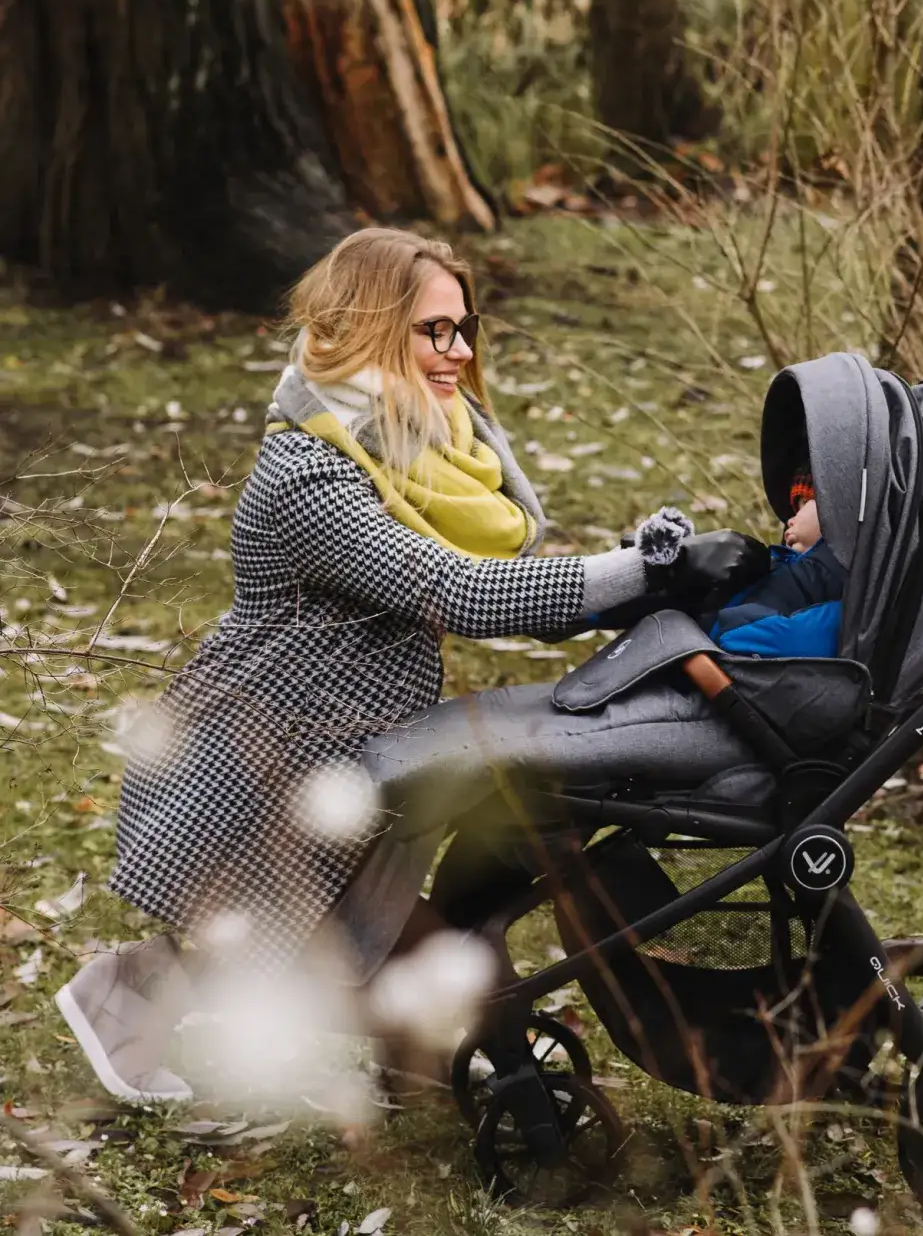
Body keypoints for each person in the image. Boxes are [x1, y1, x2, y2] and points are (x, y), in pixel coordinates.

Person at [55, 227, 766, 1104]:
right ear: (371, 324)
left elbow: (501, 583)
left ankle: (391, 1061)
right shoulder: (311, 472)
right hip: (273, 747)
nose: (461, 351)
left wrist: (640, 581)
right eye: (437, 329)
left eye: (465, 327)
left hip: (349, 743)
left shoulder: (411, 448)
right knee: (372, 957)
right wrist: (645, 571)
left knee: (343, 946)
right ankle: (127, 995)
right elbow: (456, 592)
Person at [705, 446, 845, 656]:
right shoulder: (789, 564)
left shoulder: (840, 575)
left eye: (804, 504)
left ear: (836, 508)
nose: (790, 520)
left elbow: (809, 636)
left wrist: (726, 631)